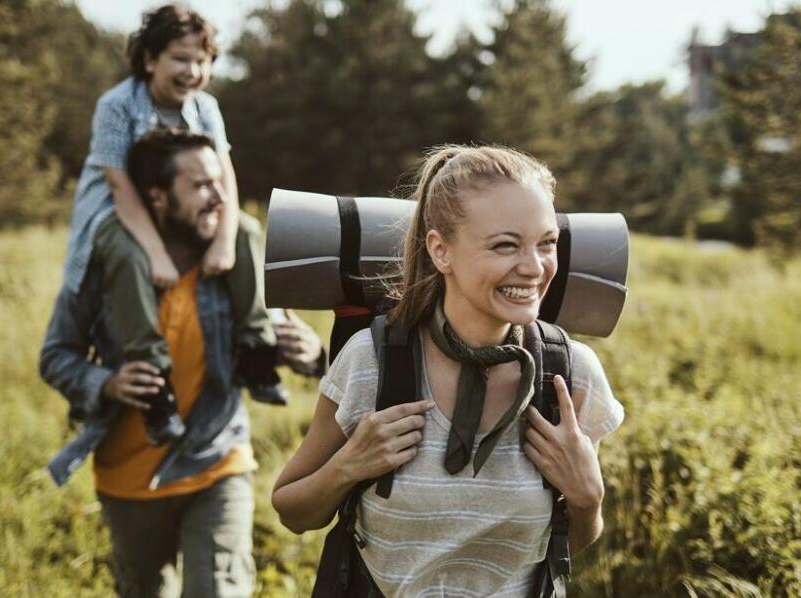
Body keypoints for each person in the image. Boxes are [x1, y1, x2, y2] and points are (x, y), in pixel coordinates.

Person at [271, 145, 624, 597]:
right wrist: (347, 467)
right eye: (505, 245)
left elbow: (565, 546)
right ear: (441, 251)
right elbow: (292, 511)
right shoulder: (370, 363)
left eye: (547, 243)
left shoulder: (571, 376)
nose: (535, 267)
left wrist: (587, 497)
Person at [40, 129, 327, 597]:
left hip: (216, 463)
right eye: (200, 186)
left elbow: (287, 346)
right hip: (127, 480)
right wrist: (107, 382)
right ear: (157, 197)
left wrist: (314, 355)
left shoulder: (231, 264)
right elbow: (55, 356)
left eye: (219, 182)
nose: (219, 198)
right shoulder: (107, 266)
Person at [62, 3, 287, 412]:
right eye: (180, 59)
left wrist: (222, 240)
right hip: (119, 208)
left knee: (247, 231)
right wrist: (155, 253)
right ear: (150, 59)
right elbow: (119, 184)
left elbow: (225, 176)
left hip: (186, 208)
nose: (192, 71)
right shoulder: (116, 105)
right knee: (126, 253)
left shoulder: (205, 108)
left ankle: (255, 348)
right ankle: (153, 370)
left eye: (201, 61)